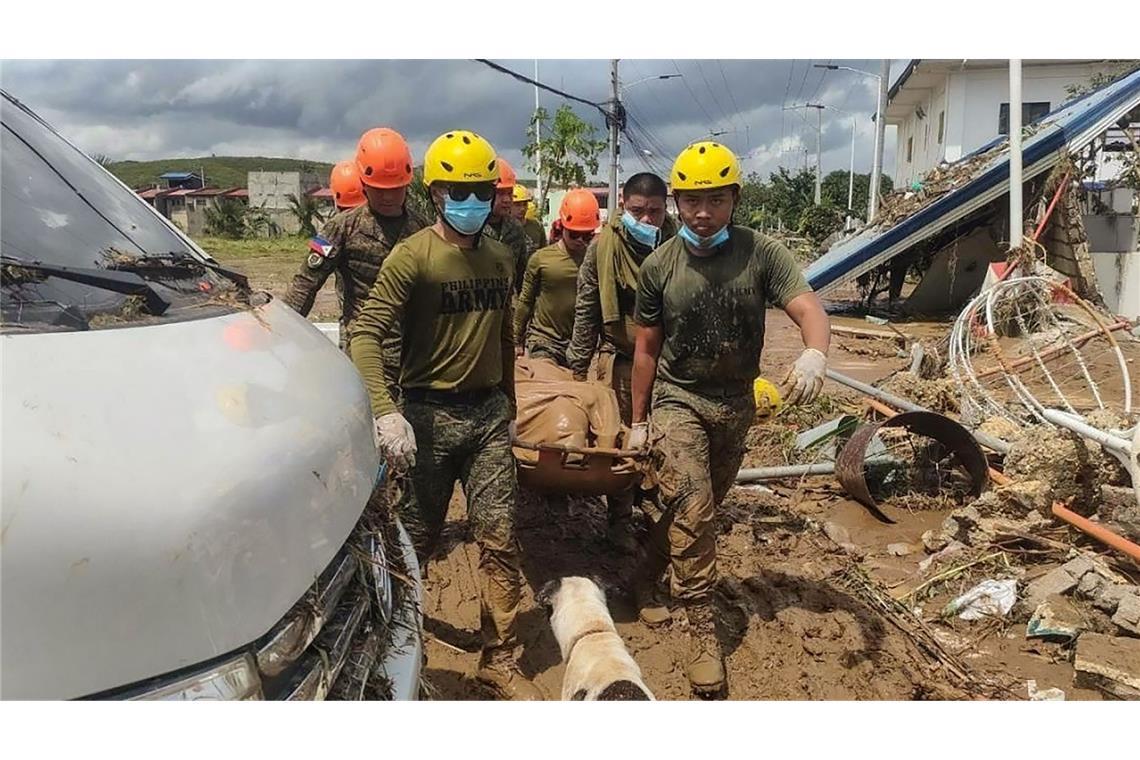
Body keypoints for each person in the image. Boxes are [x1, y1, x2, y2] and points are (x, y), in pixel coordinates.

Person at [629, 141, 831, 697]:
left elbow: (807, 306)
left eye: (714, 200)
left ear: (734, 199)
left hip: (735, 404)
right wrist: (639, 419)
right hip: (679, 400)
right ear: (676, 202)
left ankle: (645, 574)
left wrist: (816, 351)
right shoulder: (659, 265)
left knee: (697, 507)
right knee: (695, 512)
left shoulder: (761, 254)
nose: (701, 212)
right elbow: (645, 349)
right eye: (691, 201)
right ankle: (702, 632)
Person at [349, 129, 543, 701]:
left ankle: (500, 657)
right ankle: (406, 651)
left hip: (485, 417)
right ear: (435, 192)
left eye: (481, 189)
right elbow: (367, 334)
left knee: (500, 538)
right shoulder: (414, 258)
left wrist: (508, 402)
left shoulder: (500, 255)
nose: (471, 200)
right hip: (428, 419)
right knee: (415, 541)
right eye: (458, 189)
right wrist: (386, 411)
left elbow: (504, 336)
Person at [565, 173, 677, 565]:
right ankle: (619, 519)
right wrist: (576, 374)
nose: (646, 220)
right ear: (622, 207)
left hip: (672, 364)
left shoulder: (680, 247)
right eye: (637, 211)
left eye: (655, 212)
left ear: (667, 210)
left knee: (668, 444)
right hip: (621, 362)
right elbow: (587, 312)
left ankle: (663, 514)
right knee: (623, 443)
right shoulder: (603, 250)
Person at [283, 128, 427, 391]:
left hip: (417, 355)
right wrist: (281, 335)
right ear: (363, 183)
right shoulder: (340, 228)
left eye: (395, 189)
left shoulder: (422, 229)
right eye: (379, 189)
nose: (387, 197)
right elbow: (305, 283)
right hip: (369, 352)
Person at [513, 188, 600, 366]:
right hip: (545, 341)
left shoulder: (598, 259)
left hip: (581, 346)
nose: (580, 241)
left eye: (587, 236)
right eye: (574, 234)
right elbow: (526, 301)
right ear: (562, 226)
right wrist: (516, 339)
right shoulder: (541, 259)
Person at [483, 157, 529, 293]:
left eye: (509, 193)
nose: (507, 200)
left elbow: (521, 271)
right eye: (500, 194)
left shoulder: (515, 228)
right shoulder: (471, 228)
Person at [511, 184, 547, 251]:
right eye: (517, 205)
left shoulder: (537, 226)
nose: (522, 208)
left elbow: (543, 252)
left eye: (525, 204)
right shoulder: (505, 227)